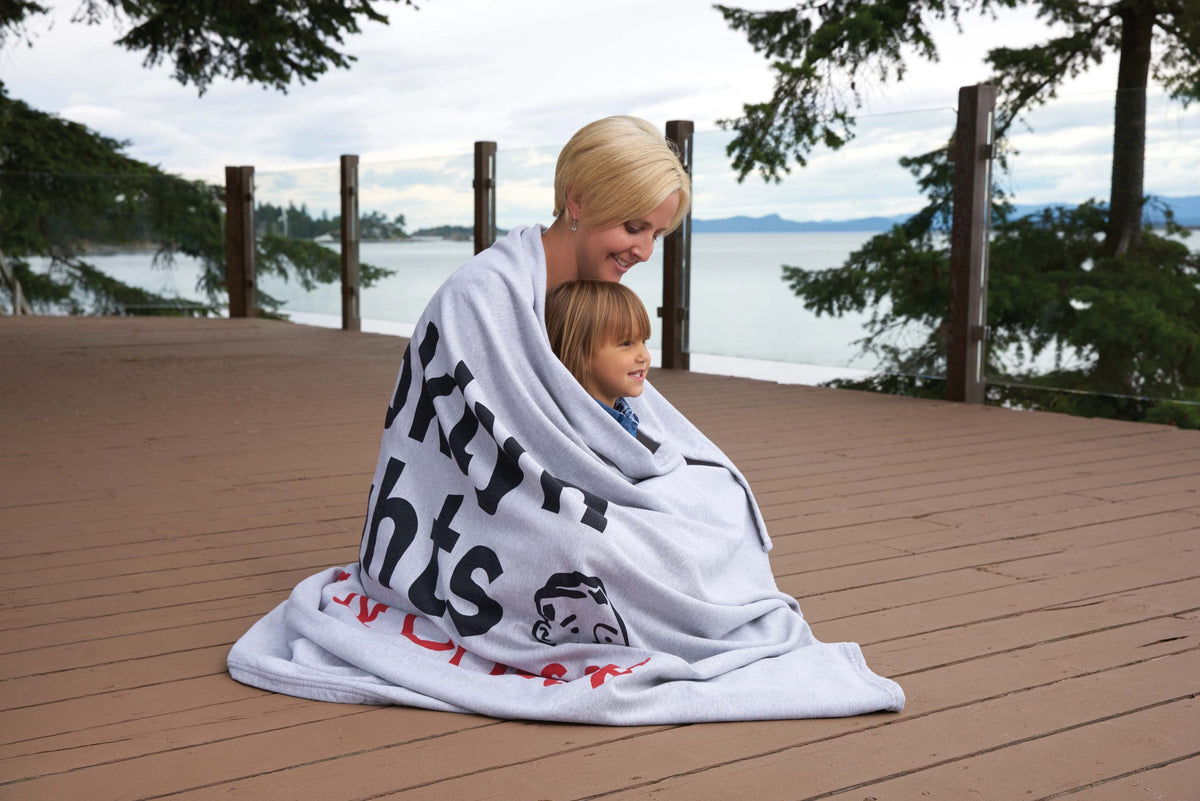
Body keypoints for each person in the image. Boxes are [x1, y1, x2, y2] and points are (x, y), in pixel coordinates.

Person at [227, 115, 905, 725]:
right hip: (495, 506)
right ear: (578, 202)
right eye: (633, 226)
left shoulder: (590, 294)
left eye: (658, 233)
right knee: (601, 553)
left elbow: (610, 409)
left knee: (712, 499)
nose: (645, 250)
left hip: (573, 474)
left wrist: (642, 467)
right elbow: (507, 435)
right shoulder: (481, 295)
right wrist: (599, 486)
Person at [545, 279, 651, 437]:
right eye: (626, 344)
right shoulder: (576, 435)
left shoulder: (622, 417)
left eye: (644, 341)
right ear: (578, 351)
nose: (644, 356)